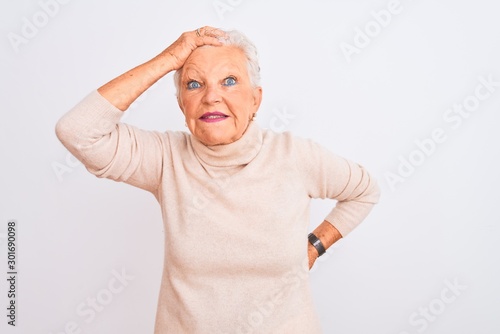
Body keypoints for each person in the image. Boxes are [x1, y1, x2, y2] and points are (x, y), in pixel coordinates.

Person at [55, 26, 380, 334]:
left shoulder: (294, 156)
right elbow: (78, 131)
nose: (211, 96)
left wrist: (314, 246)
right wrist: (169, 59)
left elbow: (364, 191)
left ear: (256, 99)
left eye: (229, 81)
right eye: (194, 84)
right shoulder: (165, 158)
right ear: (182, 103)